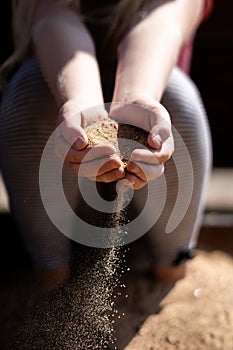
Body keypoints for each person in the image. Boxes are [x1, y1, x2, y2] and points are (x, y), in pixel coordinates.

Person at [0, 0, 213, 291]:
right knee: (30, 89)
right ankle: (50, 269)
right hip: (62, 180)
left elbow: (164, 21)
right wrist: (78, 103)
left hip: (152, 193)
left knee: (177, 96)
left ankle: (172, 267)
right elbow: (52, 14)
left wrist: (136, 98)